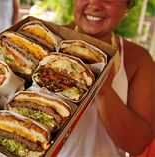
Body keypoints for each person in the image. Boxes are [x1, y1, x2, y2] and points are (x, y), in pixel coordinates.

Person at [58, 0, 154, 156]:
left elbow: (137, 144)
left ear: (127, 7)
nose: (95, 4)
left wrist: (103, 89)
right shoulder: (43, 39)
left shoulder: (137, 59)